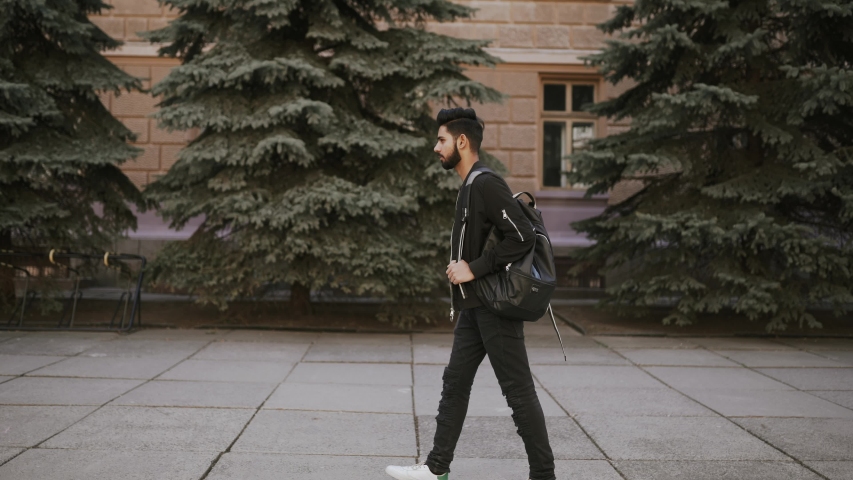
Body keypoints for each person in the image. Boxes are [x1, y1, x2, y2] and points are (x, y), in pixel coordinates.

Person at [385, 108, 556, 480]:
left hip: (495, 307)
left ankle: (544, 476)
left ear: (462, 142)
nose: (436, 147)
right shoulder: (469, 187)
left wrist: (472, 268)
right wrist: (462, 268)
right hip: (476, 306)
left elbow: (523, 235)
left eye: (442, 139)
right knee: (455, 381)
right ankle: (436, 468)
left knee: (518, 391)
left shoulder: (485, 184)